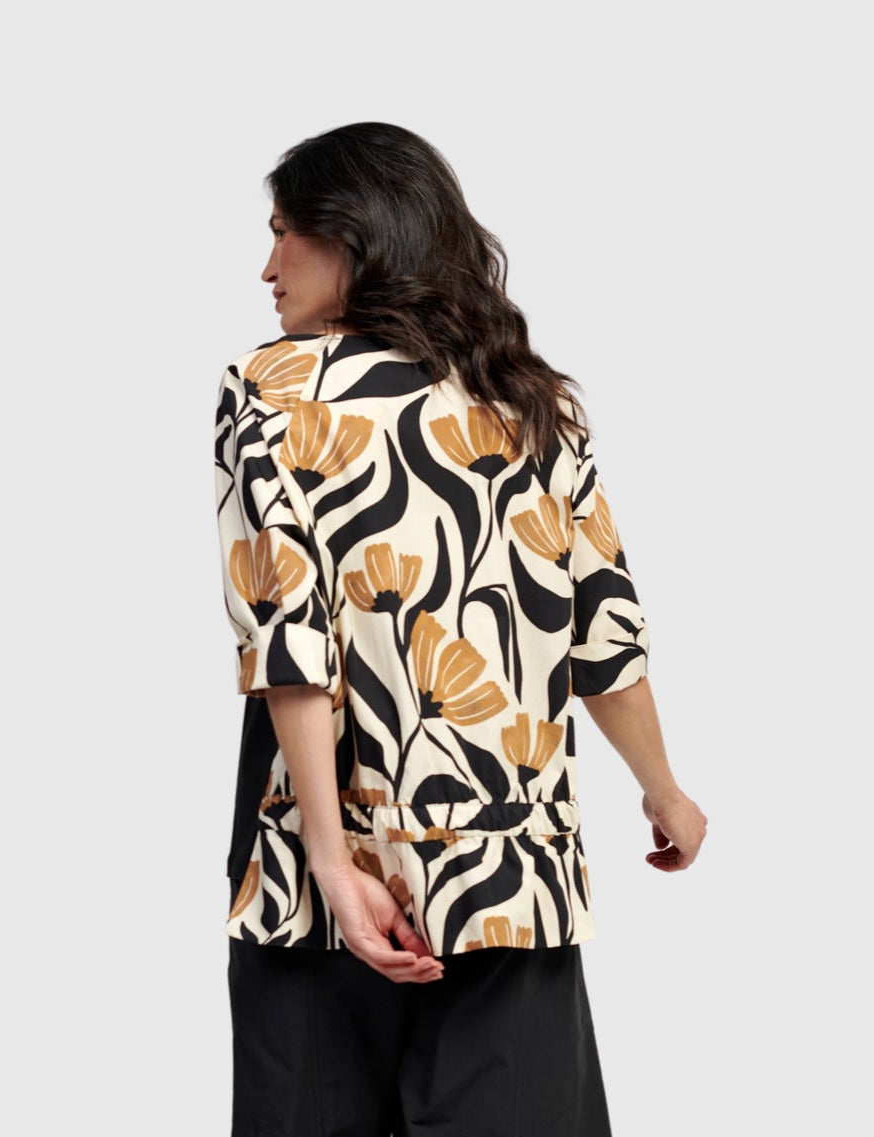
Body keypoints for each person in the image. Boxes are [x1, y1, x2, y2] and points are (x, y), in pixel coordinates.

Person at [213, 121, 707, 1137]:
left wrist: (331, 862)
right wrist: (662, 789)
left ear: (353, 232)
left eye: (282, 233)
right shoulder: (531, 398)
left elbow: (290, 641)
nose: (267, 269)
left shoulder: (270, 390)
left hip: (316, 871)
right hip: (508, 870)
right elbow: (603, 633)